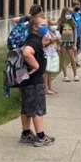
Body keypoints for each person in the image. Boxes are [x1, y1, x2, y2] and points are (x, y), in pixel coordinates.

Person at [18, 12, 55, 146]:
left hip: (27, 79)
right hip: (34, 80)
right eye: (43, 25)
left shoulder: (34, 39)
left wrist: (43, 45)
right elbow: (27, 52)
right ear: (34, 27)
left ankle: (26, 133)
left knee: (27, 108)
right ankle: (40, 136)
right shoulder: (33, 41)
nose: (45, 28)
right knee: (37, 108)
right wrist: (36, 65)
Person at [57, 7, 80, 83]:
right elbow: (57, 33)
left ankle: (75, 75)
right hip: (63, 42)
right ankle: (65, 76)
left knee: (72, 59)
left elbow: (75, 33)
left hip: (70, 42)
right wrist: (58, 45)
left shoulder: (72, 21)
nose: (68, 15)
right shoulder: (60, 22)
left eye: (70, 13)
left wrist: (75, 44)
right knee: (63, 59)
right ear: (63, 13)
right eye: (67, 13)